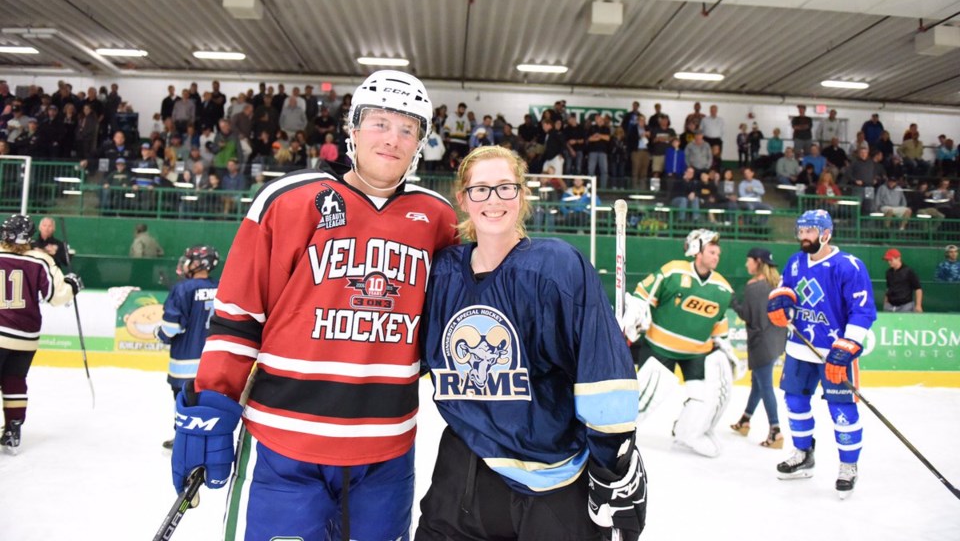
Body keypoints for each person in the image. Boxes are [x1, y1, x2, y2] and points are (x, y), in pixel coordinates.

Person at [169, 70, 459, 540]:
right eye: (380, 123)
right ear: (354, 128)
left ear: (421, 142)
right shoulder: (288, 200)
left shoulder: (437, 218)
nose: (393, 139)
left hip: (386, 448)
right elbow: (239, 317)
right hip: (286, 443)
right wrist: (214, 398)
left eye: (408, 129)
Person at [417, 145, 646, 541]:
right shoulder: (442, 273)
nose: (493, 200)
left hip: (553, 487)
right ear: (463, 199)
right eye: (481, 189)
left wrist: (613, 466)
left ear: (522, 195)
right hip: (461, 475)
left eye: (505, 187)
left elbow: (602, 377)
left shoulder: (557, 266)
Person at [766, 209, 876, 498]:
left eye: (810, 231)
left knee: (842, 410)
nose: (804, 237)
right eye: (801, 231)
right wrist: (778, 305)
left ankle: (848, 466)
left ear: (826, 233)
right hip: (799, 349)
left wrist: (846, 348)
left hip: (834, 352)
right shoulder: (795, 262)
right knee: (795, 402)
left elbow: (863, 311)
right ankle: (803, 454)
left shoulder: (849, 266)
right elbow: (784, 291)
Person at [619, 229, 740, 458]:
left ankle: (687, 432)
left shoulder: (723, 289)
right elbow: (642, 295)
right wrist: (634, 315)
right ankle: (619, 432)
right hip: (659, 348)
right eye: (712, 252)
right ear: (697, 251)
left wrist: (726, 350)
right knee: (644, 395)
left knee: (702, 396)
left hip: (697, 353)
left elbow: (720, 326)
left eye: (718, 254)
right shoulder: (673, 271)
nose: (716, 257)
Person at [0, 215, 82, 454]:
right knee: (15, 380)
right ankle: (13, 430)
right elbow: (55, 296)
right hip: (26, 336)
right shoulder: (41, 259)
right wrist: (73, 284)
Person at [156, 245, 220, 450]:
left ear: (202, 263)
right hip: (213, 360)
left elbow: (172, 327)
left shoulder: (183, 288)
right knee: (208, 402)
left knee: (183, 401)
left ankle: (183, 439)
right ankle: (208, 441)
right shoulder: (222, 287)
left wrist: (160, 333)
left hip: (185, 361)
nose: (185, 263)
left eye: (190, 260)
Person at [730, 248, 786, 449]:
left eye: (749, 261)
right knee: (758, 383)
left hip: (761, 342)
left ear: (757, 262)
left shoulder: (753, 286)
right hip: (776, 341)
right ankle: (745, 420)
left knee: (765, 386)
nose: (747, 265)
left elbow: (747, 315)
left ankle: (775, 431)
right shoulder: (776, 284)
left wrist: (733, 301)